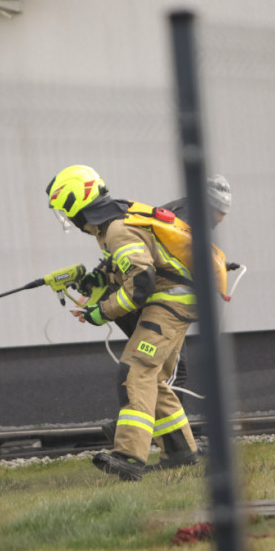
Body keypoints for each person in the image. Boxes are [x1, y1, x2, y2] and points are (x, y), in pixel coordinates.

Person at [45, 164, 201, 481]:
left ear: (76, 203)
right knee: (154, 379)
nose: (67, 219)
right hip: (177, 297)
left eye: (64, 209)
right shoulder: (116, 220)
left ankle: (129, 457)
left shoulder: (115, 229)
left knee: (135, 370)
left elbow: (141, 282)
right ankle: (181, 454)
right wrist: (99, 279)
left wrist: (102, 311)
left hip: (169, 300)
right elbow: (129, 266)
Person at [96, 175, 233, 452]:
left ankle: (178, 448)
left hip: (153, 298)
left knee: (157, 372)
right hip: (158, 300)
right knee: (160, 373)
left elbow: (174, 254)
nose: (221, 219)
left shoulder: (181, 210)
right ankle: (140, 439)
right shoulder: (193, 215)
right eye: (221, 213)